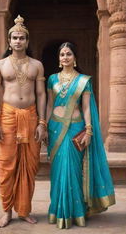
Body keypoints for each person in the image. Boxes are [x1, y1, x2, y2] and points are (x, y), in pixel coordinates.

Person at [0, 15, 47, 228]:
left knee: (29, 166)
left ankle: (24, 210)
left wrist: (42, 122)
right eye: (14, 38)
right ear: (9, 41)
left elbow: (41, 95)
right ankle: (7, 211)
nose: (18, 41)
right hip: (7, 117)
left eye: (22, 38)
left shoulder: (37, 65)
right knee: (6, 166)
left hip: (30, 117)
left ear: (27, 41)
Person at [46, 42, 115, 229]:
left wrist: (90, 130)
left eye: (69, 54)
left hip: (76, 129)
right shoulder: (52, 79)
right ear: (59, 59)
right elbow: (50, 105)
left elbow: (86, 107)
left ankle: (76, 213)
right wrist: (44, 126)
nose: (65, 57)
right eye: (62, 54)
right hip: (55, 128)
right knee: (58, 172)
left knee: (73, 171)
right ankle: (58, 211)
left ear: (75, 58)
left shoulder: (84, 80)